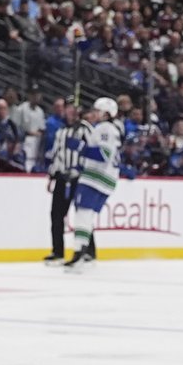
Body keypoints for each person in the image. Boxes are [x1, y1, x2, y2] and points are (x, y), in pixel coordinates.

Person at [62, 96, 122, 271]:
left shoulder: (105, 128)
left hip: (96, 178)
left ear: (106, 113)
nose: (94, 114)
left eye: (97, 111)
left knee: (83, 213)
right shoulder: (111, 129)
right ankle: (83, 252)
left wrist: (79, 147)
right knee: (86, 215)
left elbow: (103, 155)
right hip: (105, 178)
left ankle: (79, 252)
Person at [42, 101, 89, 264]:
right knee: (56, 215)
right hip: (62, 178)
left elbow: (92, 152)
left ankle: (87, 251)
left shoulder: (85, 129)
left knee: (83, 214)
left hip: (79, 179)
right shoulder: (61, 131)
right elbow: (56, 155)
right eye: (68, 108)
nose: (70, 111)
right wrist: (51, 176)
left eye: (73, 108)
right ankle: (58, 252)